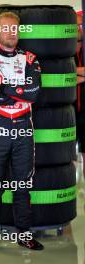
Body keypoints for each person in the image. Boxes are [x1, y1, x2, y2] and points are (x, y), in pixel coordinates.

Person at [0, 12, 44, 253]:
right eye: (6, 29)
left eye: (15, 29)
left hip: (24, 128)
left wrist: (2, 87)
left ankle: (24, 235)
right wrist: (17, 90)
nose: (11, 33)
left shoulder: (30, 58)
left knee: (22, 184)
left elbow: (34, 93)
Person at [75, 10, 85, 186]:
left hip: (84, 110)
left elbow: (66, 75)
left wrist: (71, 74)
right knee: (64, 155)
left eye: (80, 25)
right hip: (65, 109)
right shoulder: (60, 48)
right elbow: (59, 73)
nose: (77, 28)